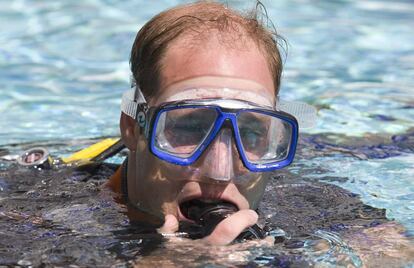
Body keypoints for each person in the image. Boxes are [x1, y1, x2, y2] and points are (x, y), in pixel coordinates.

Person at [105, 1, 306, 245]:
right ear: (132, 127)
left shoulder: (310, 204)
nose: (219, 174)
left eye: (251, 133)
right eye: (190, 128)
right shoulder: (55, 223)